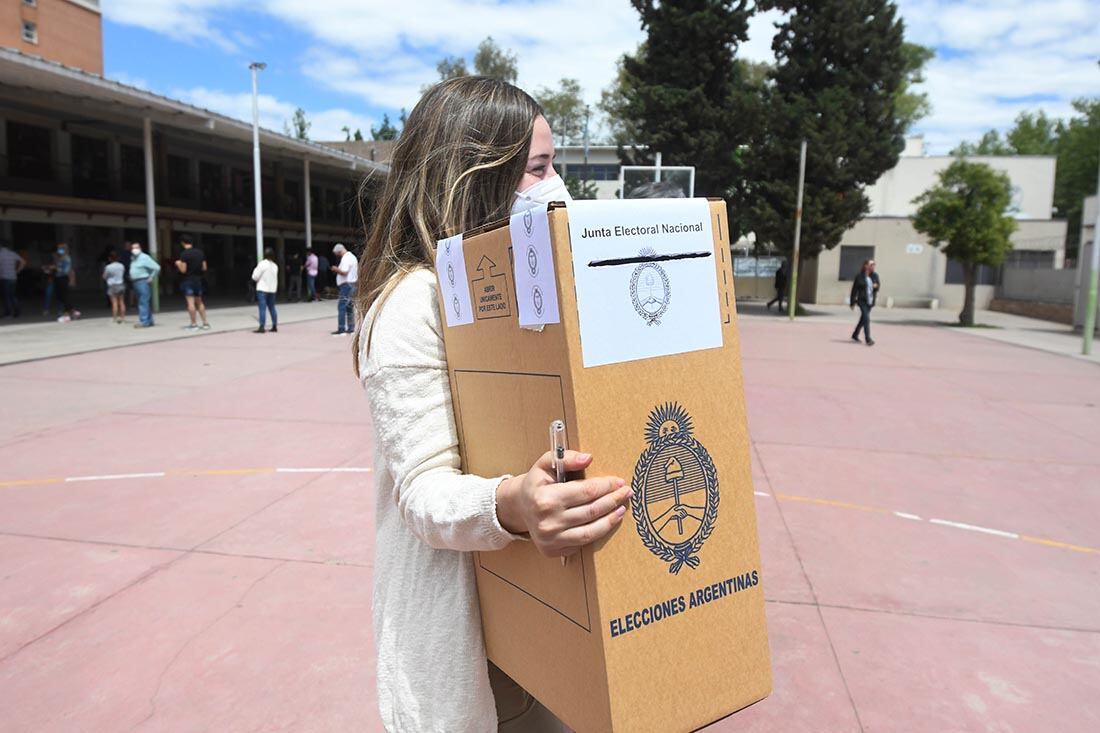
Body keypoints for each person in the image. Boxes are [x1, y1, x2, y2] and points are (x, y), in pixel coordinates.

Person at [352, 77, 631, 732]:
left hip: (539, 624)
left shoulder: (514, 291)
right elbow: (422, 492)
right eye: (539, 168)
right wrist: (514, 502)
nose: (556, 185)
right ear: (477, 173)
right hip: (469, 654)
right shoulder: (412, 302)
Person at [175, 234, 210, 330]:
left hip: (188, 280)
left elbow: (183, 270)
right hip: (198, 280)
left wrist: (178, 264)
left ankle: (194, 324)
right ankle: (205, 323)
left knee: (190, 303)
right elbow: (204, 267)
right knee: (200, 302)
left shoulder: (184, 254)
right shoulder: (200, 253)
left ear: (183, 243)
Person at [129, 242, 161, 328]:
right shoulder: (133, 258)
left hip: (143, 281)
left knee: (143, 301)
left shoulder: (144, 257)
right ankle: (149, 320)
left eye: (136, 248)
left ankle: (144, 321)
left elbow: (157, 267)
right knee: (143, 301)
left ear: (140, 248)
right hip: (136, 282)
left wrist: (151, 277)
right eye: (132, 248)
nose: (134, 250)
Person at [850, 259, 880, 346]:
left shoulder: (875, 276)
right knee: (866, 319)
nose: (873, 266)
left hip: (870, 301)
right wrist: (852, 302)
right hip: (862, 300)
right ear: (865, 266)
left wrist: (876, 286)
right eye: (871, 264)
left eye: (874, 265)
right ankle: (868, 339)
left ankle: (855, 334)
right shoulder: (859, 276)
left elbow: (878, 287)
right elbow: (854, 290)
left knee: (863, 319)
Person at [330, 243, 357, 335]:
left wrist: (335, 269)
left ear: (339, 251)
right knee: (349, 307)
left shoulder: (346, 258)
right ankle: (351, 328)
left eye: (337, 254)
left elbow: (345, 272)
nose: (337, 256)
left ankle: (341, 329)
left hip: (346, 285)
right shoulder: (352, 257)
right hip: (352, 284)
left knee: (341, 307)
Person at [251, 248, 279, 333]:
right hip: (272, 289)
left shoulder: (262, 264)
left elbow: (255, 276)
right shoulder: (275, 266)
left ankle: (262, 327)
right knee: (272, 307)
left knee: (262, 308)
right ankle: (274, 326)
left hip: (262, 289)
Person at [51, 243, 79, 322]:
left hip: (63, 278)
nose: (59, 250)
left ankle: (66, 315)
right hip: (58, 278)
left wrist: (55, 268)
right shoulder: (60, 258)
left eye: (60, 249)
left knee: (64, 297)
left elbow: (66, 270)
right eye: (58, 249)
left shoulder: (66, 258)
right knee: (60, 296)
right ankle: (73, 312)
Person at [0, 240, 25, 318]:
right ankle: (17, 312)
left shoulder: (1, 254)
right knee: (12, 295)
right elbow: (23, 262)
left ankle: (8, 313)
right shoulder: (12, 254)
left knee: (6, 296)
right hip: (13, 277)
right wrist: (18, 270)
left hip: (4, 277)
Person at [102, 250, 127, 323]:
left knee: (114, 303)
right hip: (121, 284)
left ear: (110, 258)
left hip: (112, 286)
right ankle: (123, 318)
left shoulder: (108, 267)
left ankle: (114, 318)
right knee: (122, 302)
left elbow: (105, 276)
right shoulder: (121, 265)